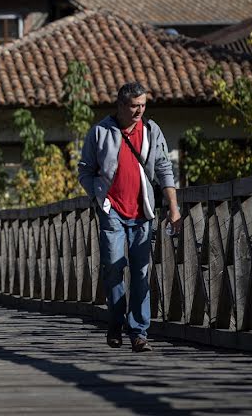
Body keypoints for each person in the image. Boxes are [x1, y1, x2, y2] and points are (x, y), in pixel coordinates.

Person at [77, 82, 181, 353]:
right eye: (134, 106)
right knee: (113, 266)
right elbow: (85, 171)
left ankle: (138, 332)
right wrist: (100, 196)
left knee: (141, 272)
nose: (139, 111)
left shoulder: (151, 131)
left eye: (143, 105)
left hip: (143, 212)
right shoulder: (100, 132)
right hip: (112, 211)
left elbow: (163, 168)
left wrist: (173, 207)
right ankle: (115, 321)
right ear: (121, 105)